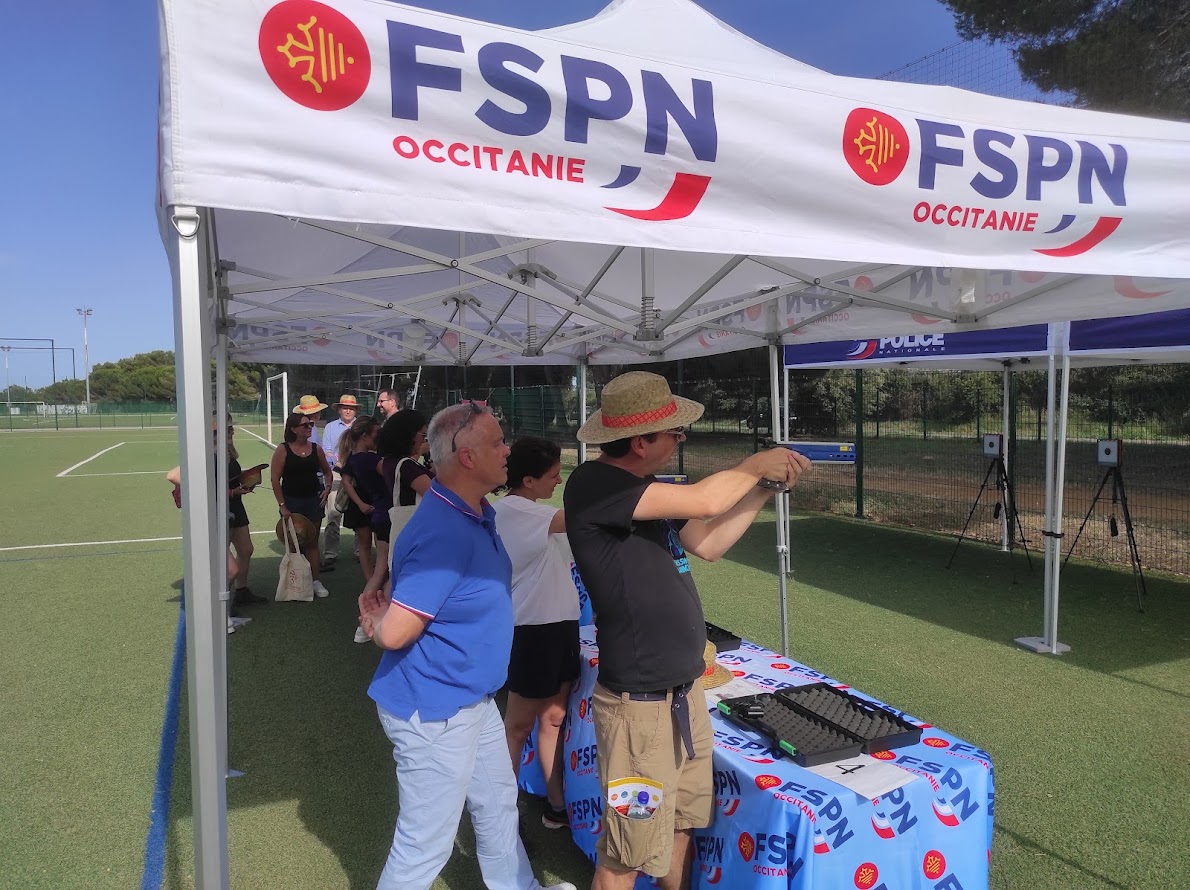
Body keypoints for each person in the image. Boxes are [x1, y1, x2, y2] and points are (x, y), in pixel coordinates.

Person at [564, 371, 811, 890]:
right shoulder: (594, 484)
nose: (680, 440)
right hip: (639, 710)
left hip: (683, 696)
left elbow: (708, 542)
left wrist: (763, 488)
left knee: (682, 825)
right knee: (626, 853)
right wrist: (753, 464)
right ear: (641, 441)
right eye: (675, 432)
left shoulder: (643, 492)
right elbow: (705, 501)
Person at [357, 403, 574, 890]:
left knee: (498, 806)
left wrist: (384, 607)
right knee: (425, 843)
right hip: (435, 710)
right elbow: (395, 633)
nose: (507, 451)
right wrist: (376, 621)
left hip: (471, 700)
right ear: (468, 456)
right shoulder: (444, 530)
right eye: (498, 443)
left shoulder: (474, 511)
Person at [493, 437, 579, 831]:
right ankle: (500, 819)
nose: (558, 481)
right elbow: (584, 516)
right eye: (553, 474)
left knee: (554, 718)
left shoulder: (536, 513)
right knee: (517, 726)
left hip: (560, 627)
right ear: (528, 480)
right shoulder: (514, 511)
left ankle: (556, 804)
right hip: (531, 631)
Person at [359, 409, 433, 631]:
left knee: (390, 574)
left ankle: (372, 616)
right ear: (409, 436)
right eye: (422, 435)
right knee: (395, 576)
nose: (425, 440)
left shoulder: (392, 461)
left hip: (392, 520)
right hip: (409, 525)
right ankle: (378, 618)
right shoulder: (407, 465)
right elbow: (436, 494)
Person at [270, 411, 333, 599]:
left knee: (313, 541)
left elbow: (327, 472)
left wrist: (327, 488)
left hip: (313, 500)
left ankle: (315, 581)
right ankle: (296, 583)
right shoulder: (283, 449)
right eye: (305, 425)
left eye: (310, 425)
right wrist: (282, 505)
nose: (309, 428)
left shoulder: (316, 449)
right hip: (291, 502)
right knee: (294, 543)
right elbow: (275, 479)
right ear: (293, 429)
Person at [338, 415, 382, 586]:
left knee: (378, 542)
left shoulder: (366, 456)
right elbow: (346, 481)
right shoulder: (359, 457)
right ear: (365, 436)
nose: (379, 437)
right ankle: (371, 580)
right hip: (365, 502)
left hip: (371, 502)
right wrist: (360, 504)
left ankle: (376, 577)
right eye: (376, 433)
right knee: (366, 543)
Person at [320, 394, 360, 571]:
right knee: (333, 514)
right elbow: (326, 451)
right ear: (339, 409)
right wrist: (339, 463)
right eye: (345, 407)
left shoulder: (362, 426)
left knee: (361, 514)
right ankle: (330, 554)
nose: (348, 410)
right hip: (337, 474)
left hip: (359, 475)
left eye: (351, 408)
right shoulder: (330, 427)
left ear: (356, 410)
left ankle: (361, 551)